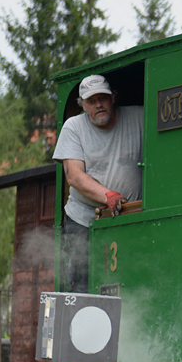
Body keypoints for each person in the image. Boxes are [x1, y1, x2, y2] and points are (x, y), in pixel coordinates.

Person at [52, 74, 144, 292]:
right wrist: (108, 196)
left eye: (102, 98)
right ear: (83, 105)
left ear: (113, 97)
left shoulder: (140, 116)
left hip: (130, 220)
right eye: (91, 101)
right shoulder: (73, 127)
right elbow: (74, 176)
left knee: (132, 284)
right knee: (82, 286)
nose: (98, 105)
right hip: (84, 222)